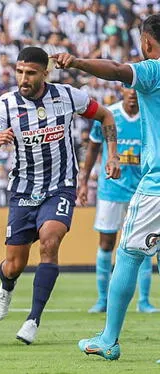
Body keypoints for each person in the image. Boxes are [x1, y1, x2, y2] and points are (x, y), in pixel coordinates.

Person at [0, 46, 120, 345]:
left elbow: (106, 116)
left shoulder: (68, 96)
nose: (23, 78)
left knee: (50, 241)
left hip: (60, 187)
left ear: (46, 72)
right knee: (14, 264)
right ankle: (6, 285)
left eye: (30, 73)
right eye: (19, 72)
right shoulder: (5, 105)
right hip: (23, 191)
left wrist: (113, 156)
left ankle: (33, 319)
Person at [53, 13, 160, 361]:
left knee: (128, 254)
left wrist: (78, 61)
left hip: (156, 186)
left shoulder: (152, 70)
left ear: (145, 43)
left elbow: (116, 69)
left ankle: (109, 339)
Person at [81, 87, 157, 314]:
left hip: (142, 191)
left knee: (143, 245)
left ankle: (144, 301)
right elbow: (93, 149)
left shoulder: (150, 117)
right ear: (121, 90)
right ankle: (102, 299)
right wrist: (83, 182)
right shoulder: (109, 116)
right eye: (128, 88)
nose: (133, 93)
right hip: (111, 191)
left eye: (137, 89)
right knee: (106, 243)